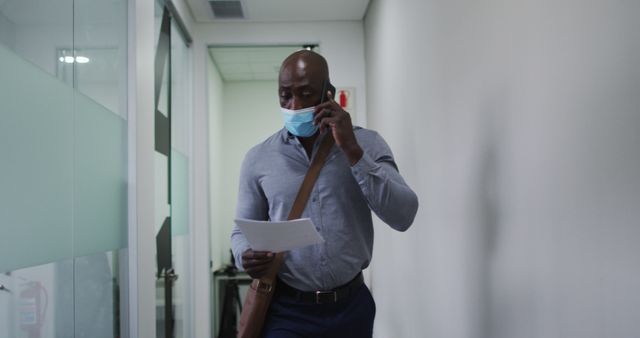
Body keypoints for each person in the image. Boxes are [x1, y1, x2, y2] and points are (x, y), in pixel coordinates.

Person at [230, 50, 419, 338]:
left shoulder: (367, 144)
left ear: (328, 93)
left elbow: (403, 215)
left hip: (351, 307)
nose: (293, 105)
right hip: (287, 311)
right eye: (285, 95)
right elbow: (240, 231)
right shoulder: (258, 159)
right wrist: (245, 255)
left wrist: (353, 152)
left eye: (305, 93)